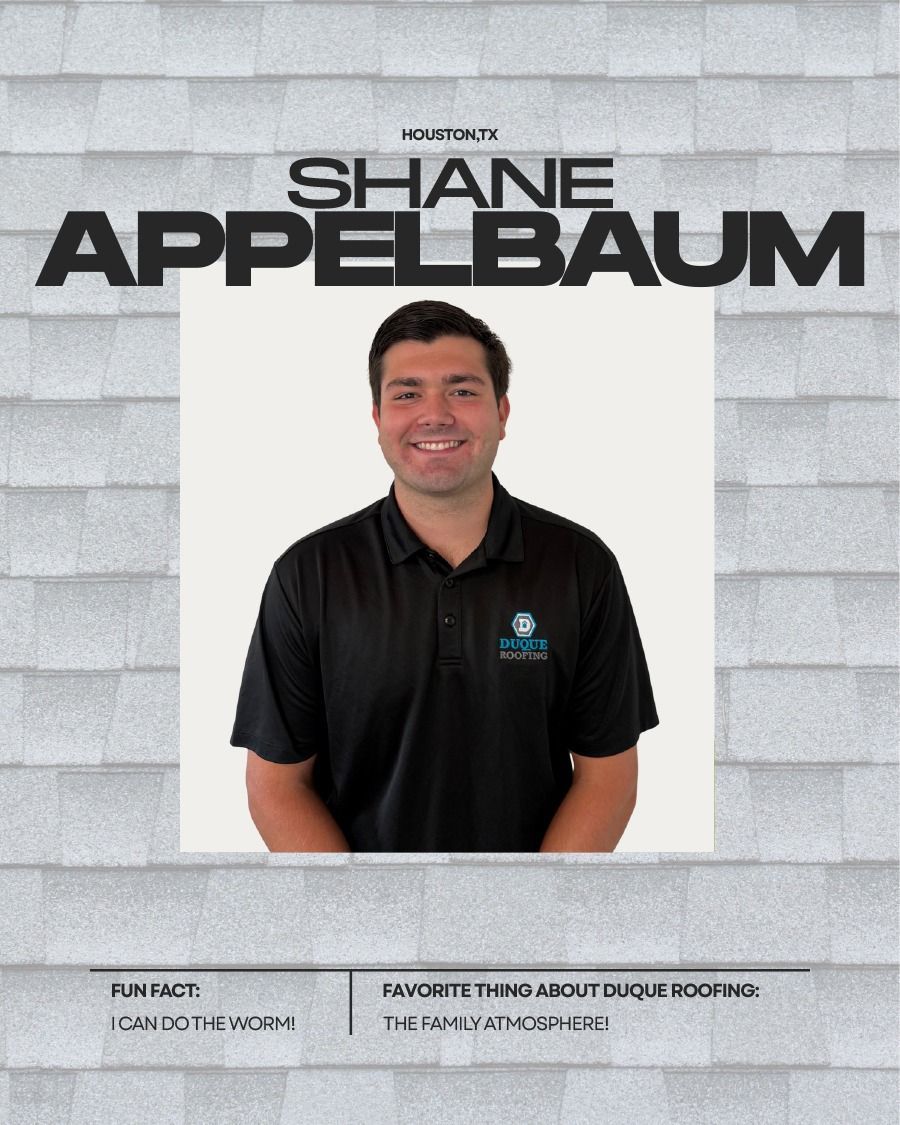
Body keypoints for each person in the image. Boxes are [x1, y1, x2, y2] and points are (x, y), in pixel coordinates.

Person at [230, 300, 658, 852]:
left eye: (462, 390)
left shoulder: (580, 565)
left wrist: (537, 910)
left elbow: (608, 777)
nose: (435, 414)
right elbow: (275, 785)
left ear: (503, 413)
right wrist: (356, 918)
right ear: (378, 419)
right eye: (407, 394)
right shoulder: (308, 574)